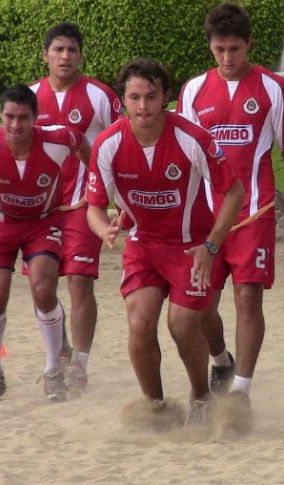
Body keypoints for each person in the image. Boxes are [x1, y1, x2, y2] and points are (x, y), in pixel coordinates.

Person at [86, 59, 244, 425]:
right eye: (135, 97)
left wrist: (212, 246)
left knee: (183, 323)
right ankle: (156, 406)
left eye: (151, 97)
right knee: (140, 324)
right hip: (143, 246)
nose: (143, 106)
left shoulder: (192, 138)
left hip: (192, 246)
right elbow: (93, 208)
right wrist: (103, 230)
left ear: (165, 98)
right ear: (122, 100)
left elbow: (233, 192)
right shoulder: (108, 145)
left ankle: (201, 396)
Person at [176, 2, 284, 431]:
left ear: (249, 44)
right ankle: (220, 360)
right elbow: (185, 155)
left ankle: (241, 393)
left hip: (257, 212)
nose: (228, 58)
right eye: (220, 49)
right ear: (210, 47)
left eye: (235, 48)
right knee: (200, 310)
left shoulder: (273, 88)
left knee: (248, 298)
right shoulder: (193, 91)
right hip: (207, 220)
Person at [0, 84, 90, 402]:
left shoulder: (57, 139)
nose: (15, 125)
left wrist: (93, 186)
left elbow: (83, 146)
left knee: (43, 287)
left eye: (23, 118)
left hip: (43, 221)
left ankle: (53, 372)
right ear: (0, 115)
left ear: (35, 118)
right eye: (9, 116)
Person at [28, 22, 122, 391]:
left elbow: (123, 141)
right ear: (46, 56)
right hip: (42, 210)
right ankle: (61, 348)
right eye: (58, 50)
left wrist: (121, 198)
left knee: (81, 282)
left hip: (86, 204)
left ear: (81, 55)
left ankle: (79, 364)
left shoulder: (100, 96)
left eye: (71, 50)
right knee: (42, 286)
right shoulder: (31, 97)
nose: (65, 56)